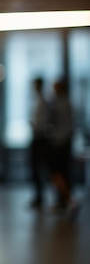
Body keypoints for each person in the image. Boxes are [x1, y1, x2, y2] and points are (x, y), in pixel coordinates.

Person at [46, 78, 76, 213]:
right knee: (63, 173)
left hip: (59, 143)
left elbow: (50, 121)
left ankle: (68, 200)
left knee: (57, 173)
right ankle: (64, 201)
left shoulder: (57, 103)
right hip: (65, 142)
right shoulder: (68, 102)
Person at [28, 77, 49, 209]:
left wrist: (34, 126)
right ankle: (38, 196)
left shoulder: (42, 102)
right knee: (35, 168)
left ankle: (40, 196)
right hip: (37, 136)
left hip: (39, 138)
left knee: (38, 167)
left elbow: (41, 123)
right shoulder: (38, 101)